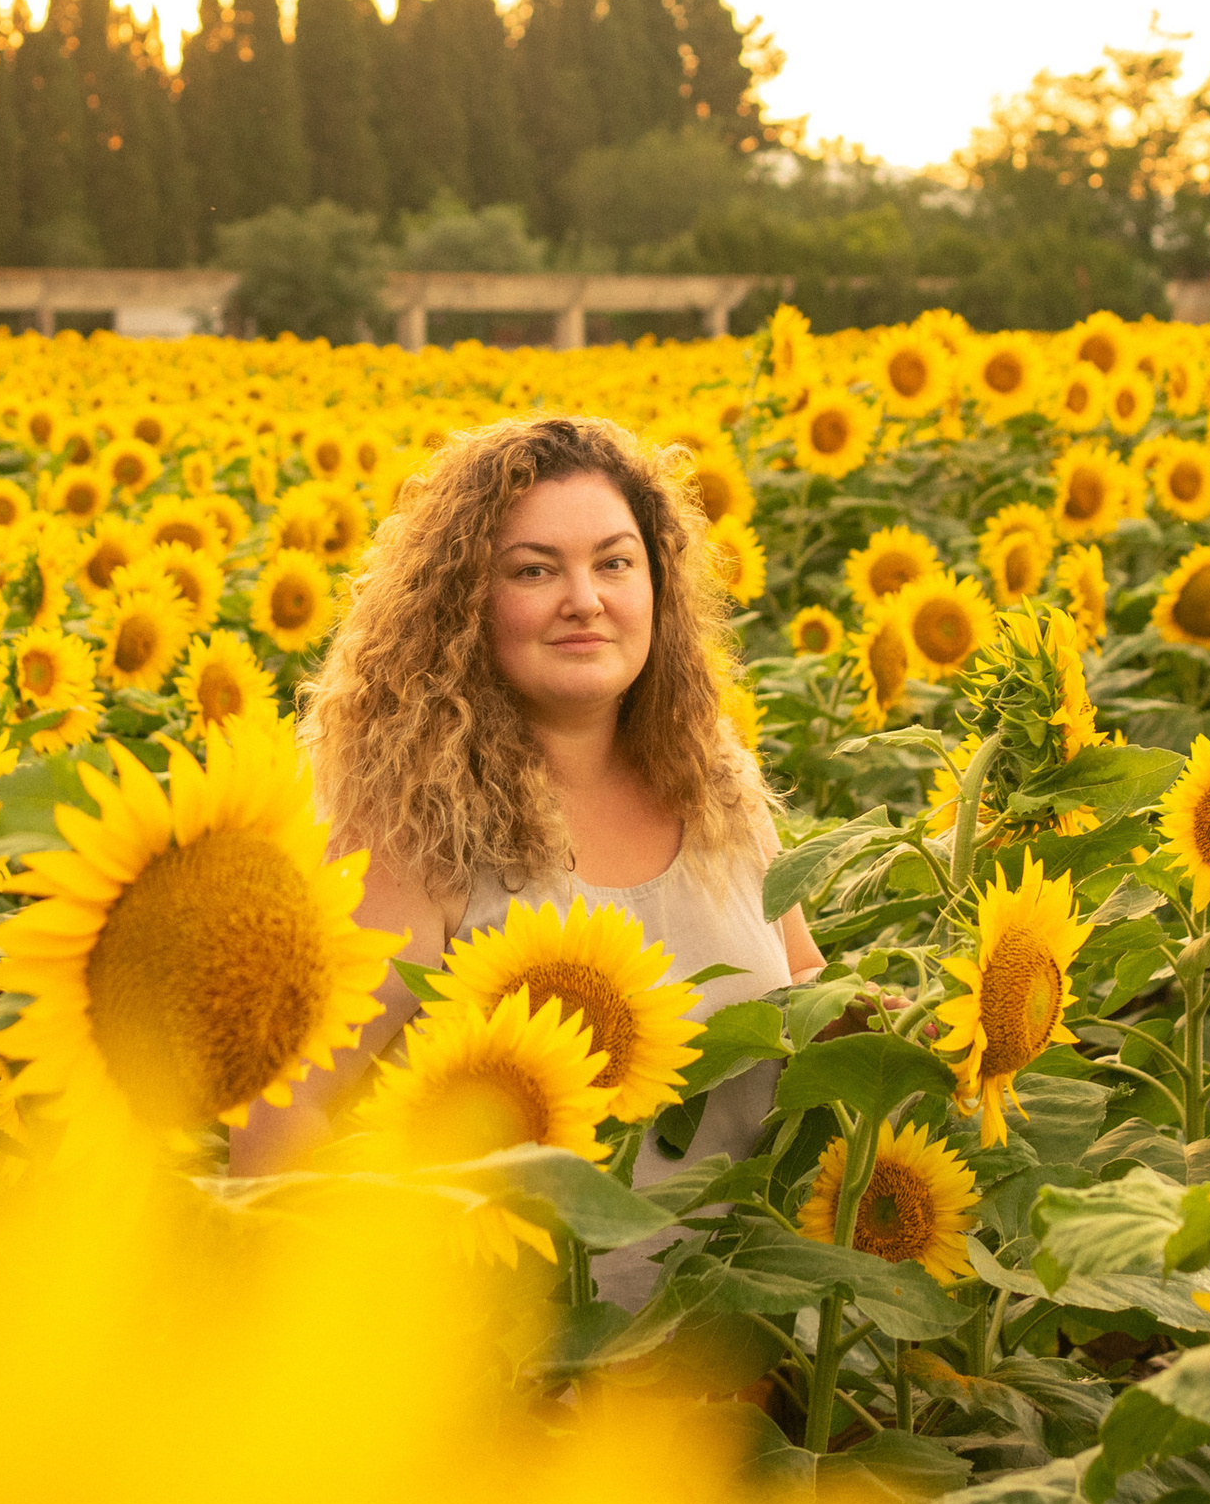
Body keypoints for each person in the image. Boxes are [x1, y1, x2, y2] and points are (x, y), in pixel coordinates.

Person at [232, 415, 823, 1295]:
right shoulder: (416, 829)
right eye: (534, 569)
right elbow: (287, 1106)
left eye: (615, 563)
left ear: (657, 586)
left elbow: (805, 999)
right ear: (466, 603)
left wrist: (895, 1026)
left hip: (749, 1361)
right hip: (515, 1378)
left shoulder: (720, 791)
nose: (583, 597)